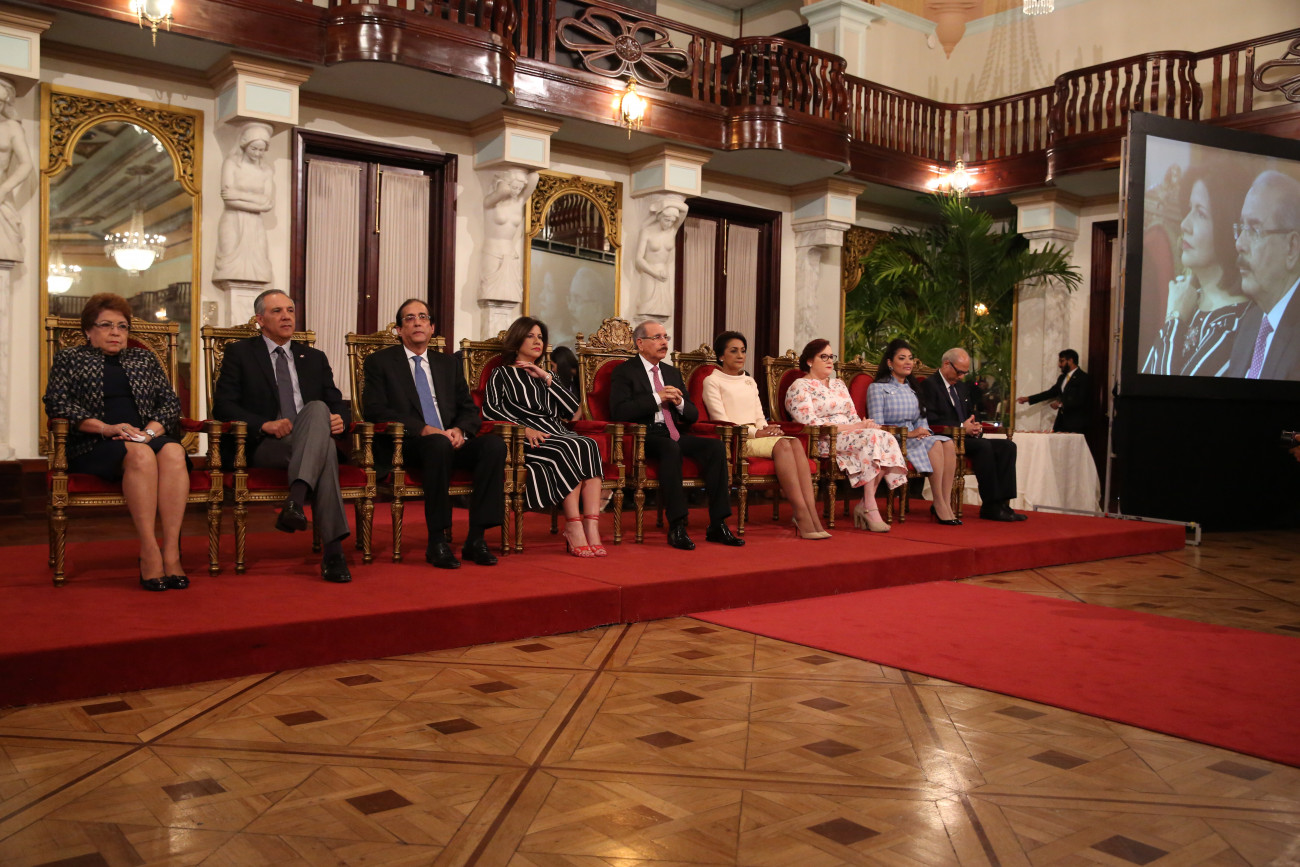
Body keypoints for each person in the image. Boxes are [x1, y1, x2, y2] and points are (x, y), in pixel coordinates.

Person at [44, 294, 190, 590]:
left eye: (122, 326)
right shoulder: (70, 358)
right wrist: (107, 428)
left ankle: (172, 551)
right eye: (106, 325)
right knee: (140, 455)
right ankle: (149, 551)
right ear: (88, 330)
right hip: (94, 442)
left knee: (174, 451)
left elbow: (170, 403)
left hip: (142, 436)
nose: (115, 332)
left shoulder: (144, 358)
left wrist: (149, 433)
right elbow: (58, 404)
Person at [212, 289, 353, 583]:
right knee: (325, 448)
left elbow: (336, 401)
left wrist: (341, 418)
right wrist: (265, 424)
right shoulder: (241, 353)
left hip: (308, 437)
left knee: (319, 410)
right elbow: (223, 406)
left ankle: (295, 504)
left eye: (290, 310)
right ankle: (333, 552)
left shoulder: (313, 357)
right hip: (265, 444)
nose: (286, 316)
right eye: (277, 311)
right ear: (260, 319)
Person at [363, 298, 507, 569]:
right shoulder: (380, 362)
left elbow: (468, 408)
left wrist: (460, 430)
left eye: (423, 317)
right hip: (407, 444)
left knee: (494, 447)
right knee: (437, 445)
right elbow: (374, 409)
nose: (417, 322)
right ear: (399, 330)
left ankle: (476, 538)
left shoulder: (447, 364)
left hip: (448, 440)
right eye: (409, 318)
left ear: (432, 328)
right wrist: (422, 429)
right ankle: (437, 540)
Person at [609, 320, 742, 550]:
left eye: (665, 337)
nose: (664, 342)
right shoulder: (624, 372)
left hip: (674, 433)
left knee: (716, 448)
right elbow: (619, 411)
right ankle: (677, 525)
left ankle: (718, 524)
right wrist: (657, 398)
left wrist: (679, 402)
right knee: (671, 448)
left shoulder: (671, 372)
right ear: (640, 343)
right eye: (657, 338)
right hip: (644, 436)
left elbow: (692, 415)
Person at [484, 317, 606, 557]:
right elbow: (491, 411)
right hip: (525, 438)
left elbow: (572, 410)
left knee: (588, 444)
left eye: (540, 337)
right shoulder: (501, 374)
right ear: (517, 340)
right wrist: (523, 429)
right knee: (569, 447)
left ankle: (592, 527)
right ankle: (573, 526)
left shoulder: (546, 376)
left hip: (555, 431)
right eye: (530, 336)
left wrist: (546, 377)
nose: (537, 341)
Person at [702, 330, 830, 540]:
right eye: (734, 351)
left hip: (759, 435)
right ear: (721, 356)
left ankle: (811, 513)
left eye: (743, 350)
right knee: (783, 445)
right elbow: (721, 420)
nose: (740, 355)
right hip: (737, 439)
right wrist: (757, 432)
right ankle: (801, 514)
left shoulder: (749, 381)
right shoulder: (712, 381)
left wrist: (768, 429)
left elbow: (759, 416)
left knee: (795, 443)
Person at [1142, 160, 1251, 376]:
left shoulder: (1234, 324)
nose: (1185, 224)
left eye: (1200, 213)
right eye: (1189, 209)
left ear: (1226, 229)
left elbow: (1163, 393)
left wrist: (1174, 319)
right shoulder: (1187, 301)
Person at [784, 339, 906, 533]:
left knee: (886, 437)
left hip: (851, 435)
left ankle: (867, 502)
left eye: (831, 356)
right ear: (809, 361)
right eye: (823, 356)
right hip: (824, 440)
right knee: (873, 439)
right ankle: (868, 507)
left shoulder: (838, 384)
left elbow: (853, 416)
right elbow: (810, 424)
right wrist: (856, 427)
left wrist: (866, 425)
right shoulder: (799, 386)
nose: (829, 360)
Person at [920, 347, 1026, 522]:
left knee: (1007, 446)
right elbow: (930, 419)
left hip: (966, 437)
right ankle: (990, 506)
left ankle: (1003, 504)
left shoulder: (961, 387)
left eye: (965, 373)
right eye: (959, 372)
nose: (962, 377)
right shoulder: (929, 385)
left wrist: (976, 425)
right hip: (945, 439)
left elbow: (971, 413)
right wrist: (962, 427)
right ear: (946, 364)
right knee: (983, 446)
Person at [867, 339, 960, 525]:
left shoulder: (913, 388)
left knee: (948, 443)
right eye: (902, 358)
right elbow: (877, 427)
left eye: (910, 358)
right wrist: (910, 434)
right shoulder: (877, 388)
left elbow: (921, 419)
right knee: (935, 443)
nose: (908, 362)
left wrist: (923, 431)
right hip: (894, 439)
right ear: (890, 362)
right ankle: (939, 503)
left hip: (916, 436)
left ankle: (945, 502)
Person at [1226, 171, 1300, 380]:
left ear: (1291, 248)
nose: (1239, 244)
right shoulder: (1250, 324)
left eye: (1254, 229)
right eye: (1241, 228)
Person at [213, 122, 274, 284]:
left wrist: (238, 195)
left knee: (259, 268)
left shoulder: (266, 171)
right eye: (254, 148)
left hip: (255, 224)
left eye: (261, 150)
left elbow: (267, 203)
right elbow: (228, 199)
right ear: (245, 145)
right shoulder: (231, 164)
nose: (257, 153)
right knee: (230, 264)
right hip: (233, 220)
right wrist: (257, 201)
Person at [479, 169, 538, 303]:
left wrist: (518, 178)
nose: (517, 191)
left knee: (509, 299)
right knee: (490, 297)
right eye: (514, 187)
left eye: (520, 188)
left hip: (511, 255)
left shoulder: (519, 201)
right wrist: (503, 181)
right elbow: (503, 191)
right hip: (493, 252)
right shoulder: (491, 201)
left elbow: (534, 177)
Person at [1017, 349, 1089, 433]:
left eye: (1061, 361)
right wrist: (1028, 399)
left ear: (1070, 360)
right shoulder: (1062, 378)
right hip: (1061, 423)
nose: (1059, 365)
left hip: (1076, 424)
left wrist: (1061, 404)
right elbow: (1050, 393)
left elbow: (1082, 400)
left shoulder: (1083, 377)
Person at [634, 200, 686, 317]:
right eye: (666, 220)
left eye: (672, 221)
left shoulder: (672, 231)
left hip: (663, 274)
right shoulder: (647, 232)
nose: (669, 224)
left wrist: (667, 203)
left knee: (663, 312)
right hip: (649, 273)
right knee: (646, 310)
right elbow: (639, 259)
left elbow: (685, 209)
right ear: (659, 217)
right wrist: (655, 273)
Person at [0, 77, 32, 261]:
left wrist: (4, 189)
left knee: (6, 250)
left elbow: (26, 163)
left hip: (1, 194)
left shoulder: (11, 127)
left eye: (0, 102)